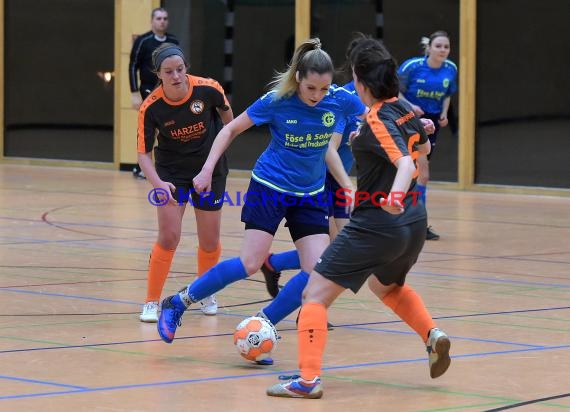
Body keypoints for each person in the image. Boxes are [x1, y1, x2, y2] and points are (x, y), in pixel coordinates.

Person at [266, 37, 451, 399]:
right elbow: (423, 148)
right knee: (386, 287)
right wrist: (379, 137)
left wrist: (393, 196)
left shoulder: (378, 115)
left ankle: (307, 381)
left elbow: (401, 163)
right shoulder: (403, 108)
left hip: (379, 222)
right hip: (414, 222)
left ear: (360, 80)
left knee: (314, 295)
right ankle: (432, 335)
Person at [156, 38, 368, 349]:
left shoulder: (340, 100)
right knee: (249, 263)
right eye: (311, 88)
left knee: (318, 270)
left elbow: (378, 116)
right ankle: (178, 301)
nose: (317, 96)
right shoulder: (277, 101)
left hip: (310, 193)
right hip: (270, 187)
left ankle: (263, 322)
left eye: (323, 89)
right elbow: (229, 129)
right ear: (299, 78)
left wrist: (410, 127)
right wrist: (205, 169)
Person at [137, 43, 233, 322]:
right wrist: (157, 183)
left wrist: (210, 166)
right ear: (159, 74)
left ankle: (205, 292)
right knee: (169, 237)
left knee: (209, 240)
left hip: (209, 170)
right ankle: (152, 301)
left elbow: (231, 126)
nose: (176, 76)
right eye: (169, 72)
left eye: (180, 69)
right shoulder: (151, 107)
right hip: (171, 173)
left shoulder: (209, 89)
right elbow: (143, 154)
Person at [397, 30, 458, 240]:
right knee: (422, 174)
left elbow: (448, 94)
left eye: (446, 47)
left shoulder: (450, 69)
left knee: (417, 174)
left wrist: (443, 113)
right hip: (409, 120)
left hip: (432, 122)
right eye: (438, 46)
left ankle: (409, 219)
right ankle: (416, 223)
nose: (443, 50)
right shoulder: (411, 67)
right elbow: (395, 92)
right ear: (429, 48)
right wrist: (411, 106)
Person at [129, 7, 179, 179]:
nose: (162, 21)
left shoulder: (173, 40)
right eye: (158, 18)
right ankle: (141, 166)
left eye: (165, 18)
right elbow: (132, 66)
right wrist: (134, 92)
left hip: (168, 90)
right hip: (148, 89)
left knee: (170, 126)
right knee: (149, 127)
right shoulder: (143, 41)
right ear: (152, 21)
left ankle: (167, 165)